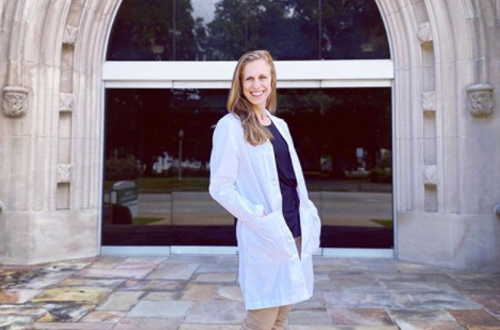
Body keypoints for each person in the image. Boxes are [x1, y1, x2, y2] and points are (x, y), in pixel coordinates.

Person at [209, 50, 322, 330]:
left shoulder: (280, 125)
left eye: (262, 77)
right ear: (240, 84)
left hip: (293, 230)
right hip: (266, 234)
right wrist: (259, 217)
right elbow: (220, 187)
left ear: (272, 81)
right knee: (261, 321)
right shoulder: (231, 126)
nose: (256, 85)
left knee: (282, 315)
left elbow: (292, 180)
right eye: (249, 79)